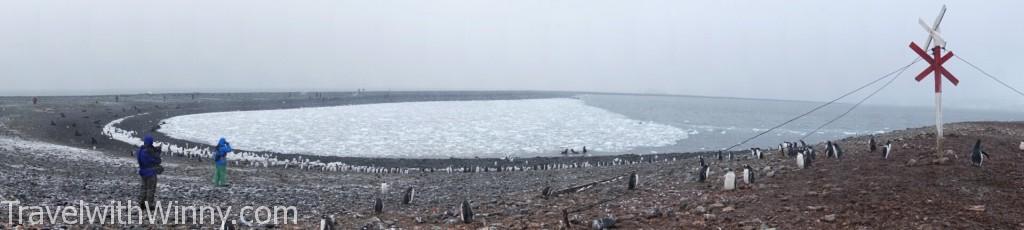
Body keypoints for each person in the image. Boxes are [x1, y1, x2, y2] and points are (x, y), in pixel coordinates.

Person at [136, 135, 163, 209]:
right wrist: (157, 154)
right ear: (151, 141)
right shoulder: (148, 151)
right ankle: (149, 205)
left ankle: (141, 203)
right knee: (150, 189)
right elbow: (156, 161)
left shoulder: (140, 150)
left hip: (143, 172)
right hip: (150, 173)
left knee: (144, 188)